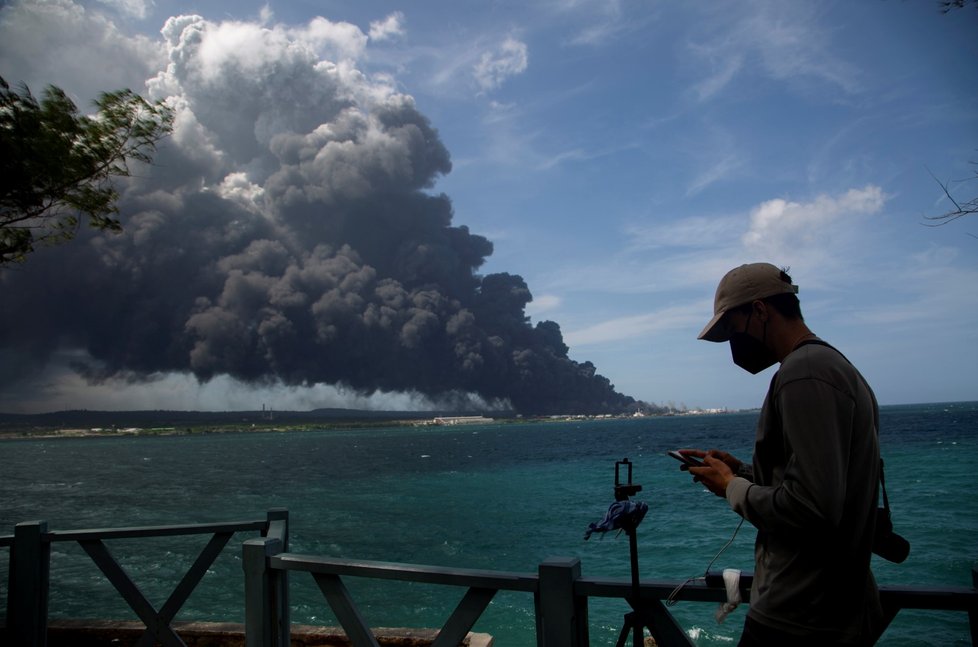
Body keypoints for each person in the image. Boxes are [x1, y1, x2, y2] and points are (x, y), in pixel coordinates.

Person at [681, 262, 883, 647]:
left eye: (733, 330)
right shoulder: (834, 366)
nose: (733, 345)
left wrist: (731, 487)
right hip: (832, 610)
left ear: (759, 311)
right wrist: (738, 470)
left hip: (798, 615)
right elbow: (818, 480)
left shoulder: (804, 373)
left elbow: (812, 506)